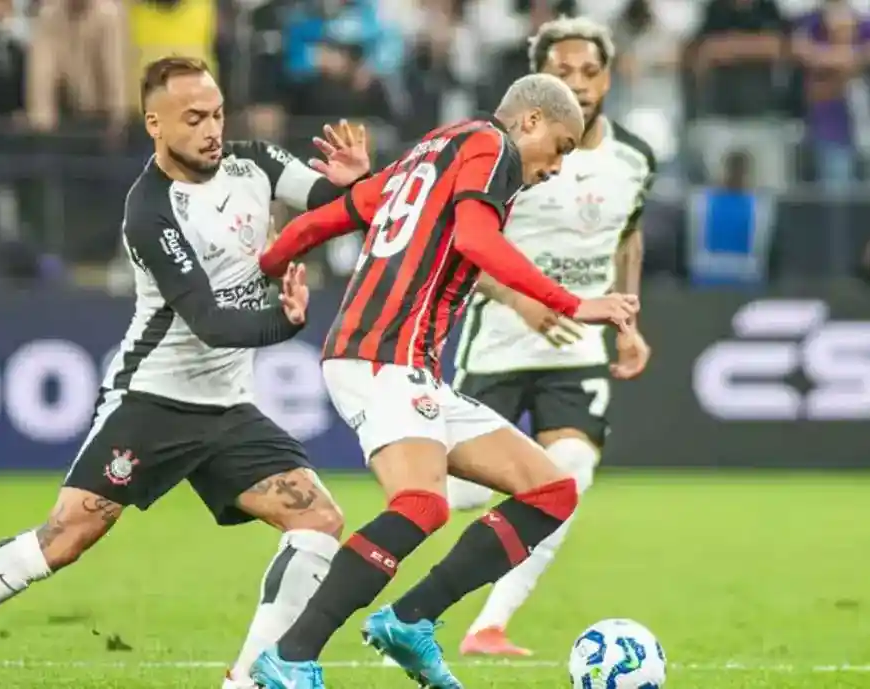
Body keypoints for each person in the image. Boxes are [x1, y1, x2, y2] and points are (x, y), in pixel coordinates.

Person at [0, 56, 372, 689]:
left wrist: (352, 186)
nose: (211, 128)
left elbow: (338, 206)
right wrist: (285, 326)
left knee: (318, 520)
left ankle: (250, 680)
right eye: (193, 118)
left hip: (229, 408)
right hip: (153, 399)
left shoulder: (254, 163)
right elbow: (209, 321)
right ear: (155, 124)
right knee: (66, 536)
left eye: (217, 114)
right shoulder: (149, 211)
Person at [249, 72, 640, 689]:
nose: (557, 166)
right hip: (381, 354)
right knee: (422, 505)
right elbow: (475, 238)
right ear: (530, 122)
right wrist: (572, 303)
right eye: (561, 147)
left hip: (406, 364)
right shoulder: (492, 147)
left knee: (551, 491)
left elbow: (323, 220)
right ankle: (290, 659)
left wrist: (266, 267)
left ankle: (411, 620)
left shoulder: (429, 153)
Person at [444, 16, 657, 658]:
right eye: (563, 72)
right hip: (498, 345)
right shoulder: (503, 155)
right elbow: (465, 248)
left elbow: (628, 237)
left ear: (609, 79)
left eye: (590, 72)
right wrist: (522, 301)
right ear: (537, 80)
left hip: (576, 353)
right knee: (463, 491)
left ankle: (489, 624)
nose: (580, 85)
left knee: (570, 473)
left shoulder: (634, 160)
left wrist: (629, 323)